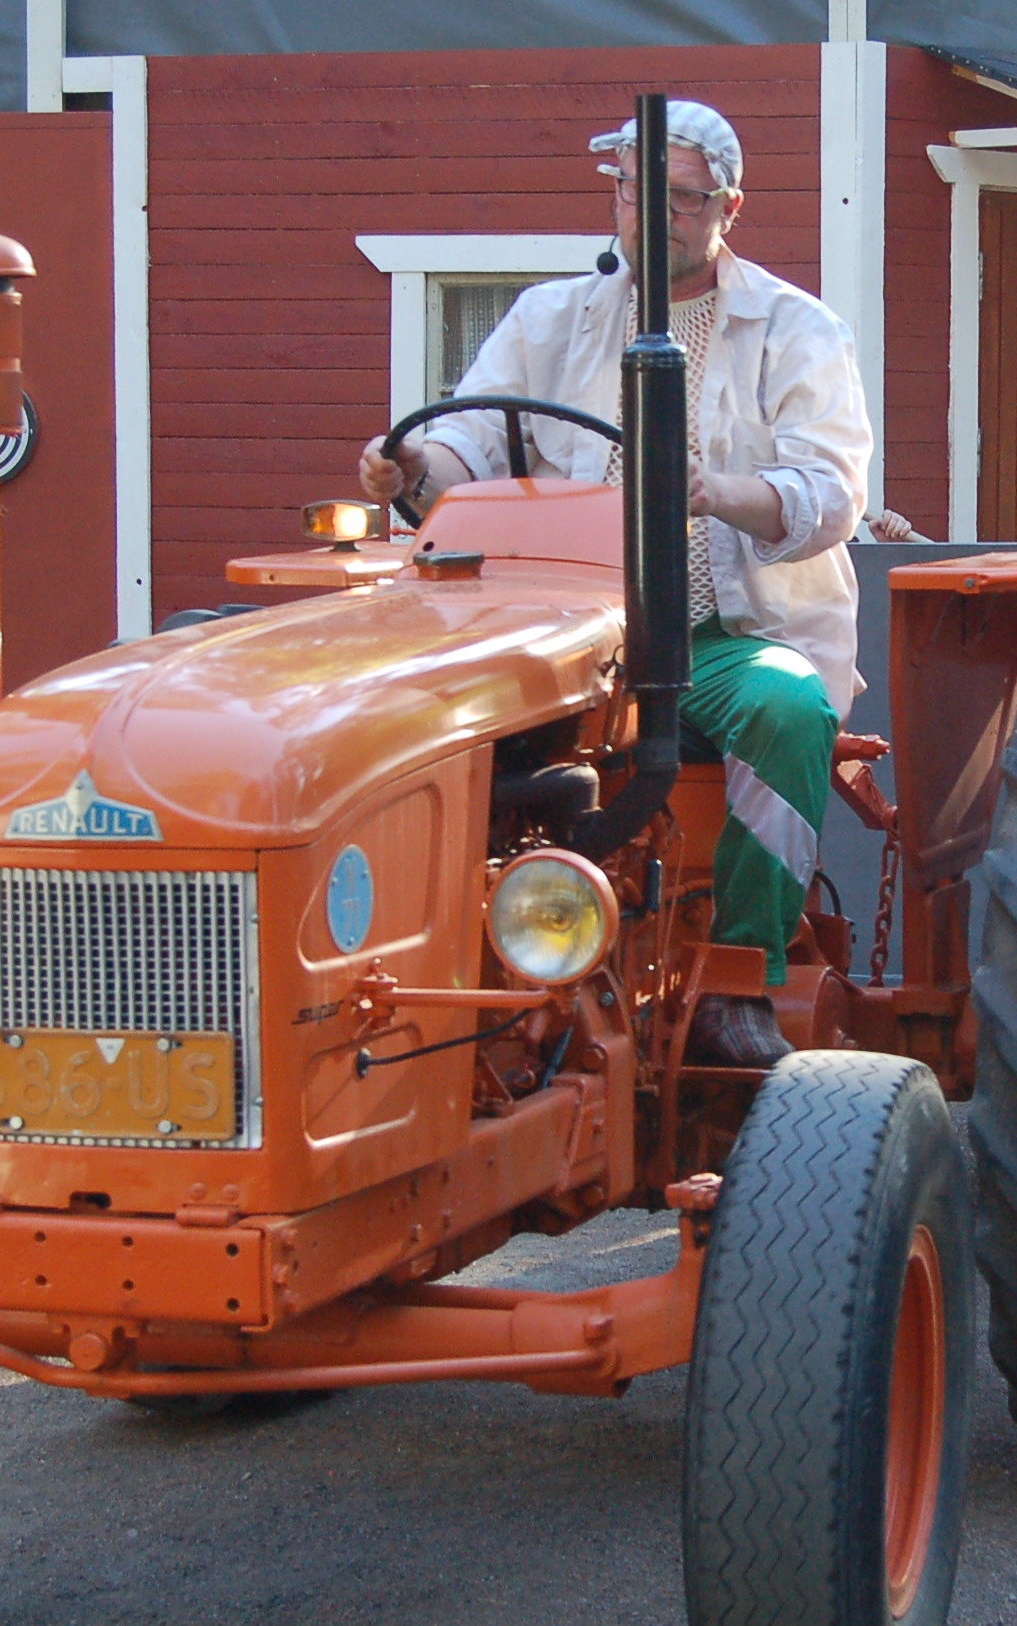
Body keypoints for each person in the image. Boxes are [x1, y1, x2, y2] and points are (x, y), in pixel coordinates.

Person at [357, 99, 872, 1070]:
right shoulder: (549, 317)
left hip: (717, 632)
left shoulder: (797, 330)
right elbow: (473, 442)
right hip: (551, 628)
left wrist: (713, 489)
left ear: (729, 206)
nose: (655, 213)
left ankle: (741, 975)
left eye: (681, 196)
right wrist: (411, 464)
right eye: (637, 194)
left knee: (789, 708)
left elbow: (831, 491)